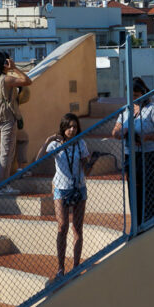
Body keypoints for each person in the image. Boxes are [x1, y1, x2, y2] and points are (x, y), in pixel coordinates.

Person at [35, 113, 102, 281]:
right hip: (61, 189)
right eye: (69, 126)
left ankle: (76, 266)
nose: (72, 130)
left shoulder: (81, 144)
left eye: (75, 126)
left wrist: (90, 163)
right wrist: (48, 140)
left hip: (79, 188)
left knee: (77, 228)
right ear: (63, 128)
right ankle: (60, 267)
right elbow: (38, 160)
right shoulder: (55, 145)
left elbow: (86, 171)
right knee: (62, 226)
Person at [111, 77, 154, 229]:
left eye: (136, 95)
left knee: (150, 189)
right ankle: (137, 225)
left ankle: (153, 223)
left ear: (143, 93)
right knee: (134, 190)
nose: (134, 98)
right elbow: (114, 132)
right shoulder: (126, 111)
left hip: (151, 156)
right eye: (131, 95)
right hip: (132, 155)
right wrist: (124, 131)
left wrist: (147, 137)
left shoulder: (152, 110)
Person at [0, 50, 32, 194]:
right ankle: (3, 186)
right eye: (8, 59)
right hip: (6, 119)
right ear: (5, 62)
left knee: (14, 146)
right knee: (6, 154)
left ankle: (17, 171)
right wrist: (15, 68)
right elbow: (28, 81)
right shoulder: (7, 79)